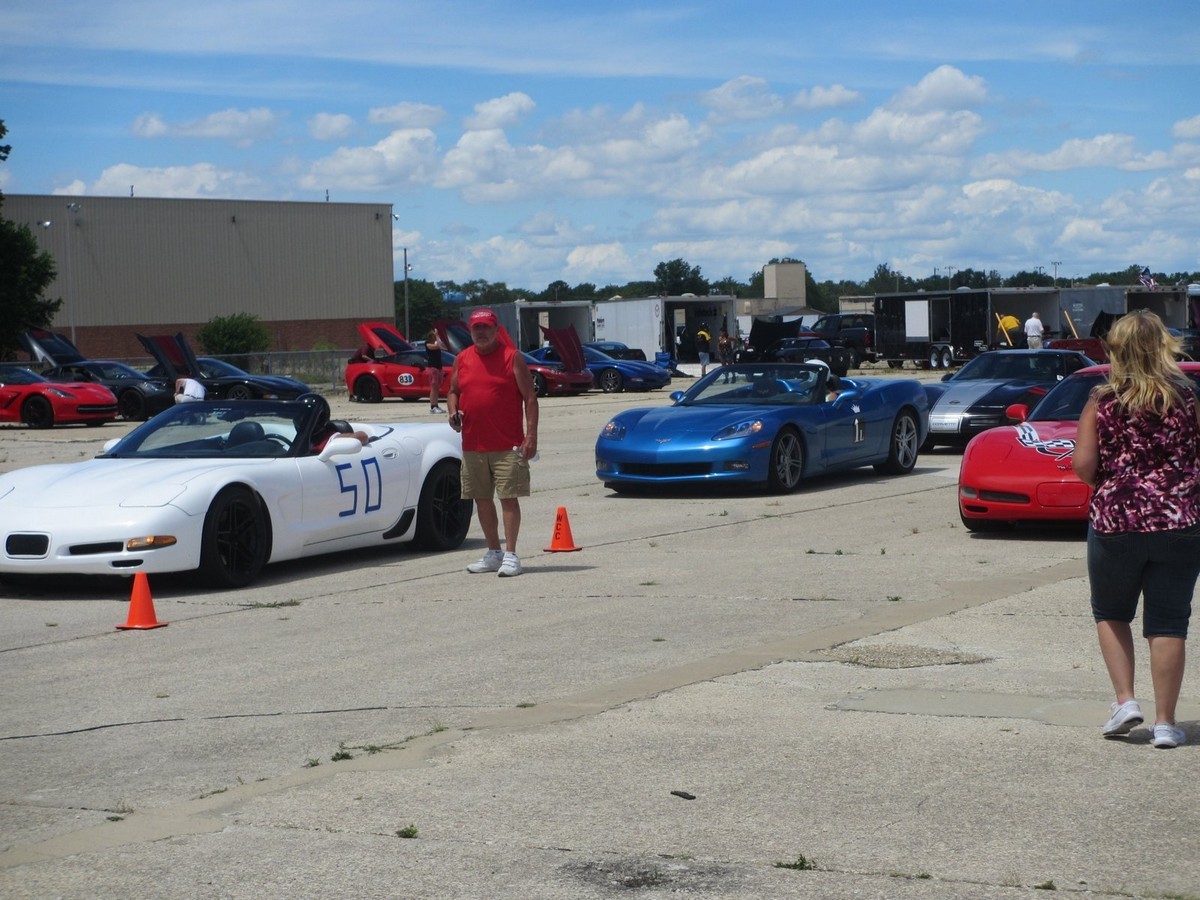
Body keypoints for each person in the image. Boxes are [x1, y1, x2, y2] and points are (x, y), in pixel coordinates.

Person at [1072, 310, 1200, 750]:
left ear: (1117, 350)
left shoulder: (1102, 401)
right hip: (1180, 522)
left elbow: (1083, 466)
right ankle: (1165, 724)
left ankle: (1125, 701)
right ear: (1164, 346)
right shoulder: (1188, 399)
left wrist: (1114, 486)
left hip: (1116, 522)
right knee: (1169, 621)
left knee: (1110, 612)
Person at [447, 308, 539, 578]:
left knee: (508, 499)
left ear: (497, 330)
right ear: (471, 331)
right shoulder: (462, 359)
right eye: (477, 328)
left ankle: (511, 555)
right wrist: (452, 412)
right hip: (473, 445)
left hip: (507, 445)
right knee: (482, 500)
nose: (482, 333)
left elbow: (530, 398)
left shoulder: (512, 357)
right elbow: (453, 391)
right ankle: (493, 552)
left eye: (487, 328)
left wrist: (531, 436)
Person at [425, 329, 446, 414]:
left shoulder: (437, 343)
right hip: (432, 367)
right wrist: (437, 335)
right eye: (434, 335)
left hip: (439, 367)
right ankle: (433, 407)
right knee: (433, 388)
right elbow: (438, 346)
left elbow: (443, 346)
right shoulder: (427, 343)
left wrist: (438, 338)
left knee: (437, 388)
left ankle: (436, 405)